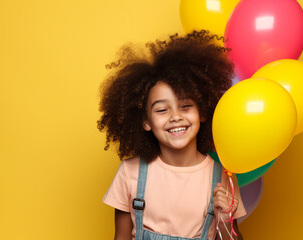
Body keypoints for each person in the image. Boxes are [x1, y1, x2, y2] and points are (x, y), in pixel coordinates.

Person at [98, 30, 246, 240]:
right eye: (161, 110)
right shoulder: (130, 173)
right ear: (146, 122)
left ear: (203, 112)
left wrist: (225, 220)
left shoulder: (222, 177)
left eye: (185, 106)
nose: (175, 117)